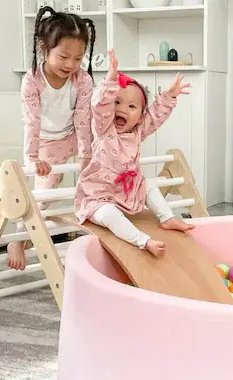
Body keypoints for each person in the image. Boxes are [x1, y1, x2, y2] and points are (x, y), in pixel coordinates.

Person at [73, 50, 193, 257]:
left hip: (126, 192)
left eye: (131, 106)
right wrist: (110, 81)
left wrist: (169, 96)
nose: (122, 109)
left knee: (149, 186)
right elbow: (100, 106)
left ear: (139, 117)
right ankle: (143, 241)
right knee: (109, 214)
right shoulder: (103, 129)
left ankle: (166, 218)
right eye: (117, 103)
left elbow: (155, 115)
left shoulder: (139, 131)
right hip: (98, 196)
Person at [7, 6, 96, 270]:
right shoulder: (32, 81)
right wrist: (32, 159)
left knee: (100, 174)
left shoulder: (83, 80)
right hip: (46, 142)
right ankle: (18, 237)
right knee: (43, 195)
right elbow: (31, 122)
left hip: (73, 134)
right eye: (64, 56)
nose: (71, 65)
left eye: (79, 58)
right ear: (44, 48)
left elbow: (83, 120)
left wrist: (86, 153)